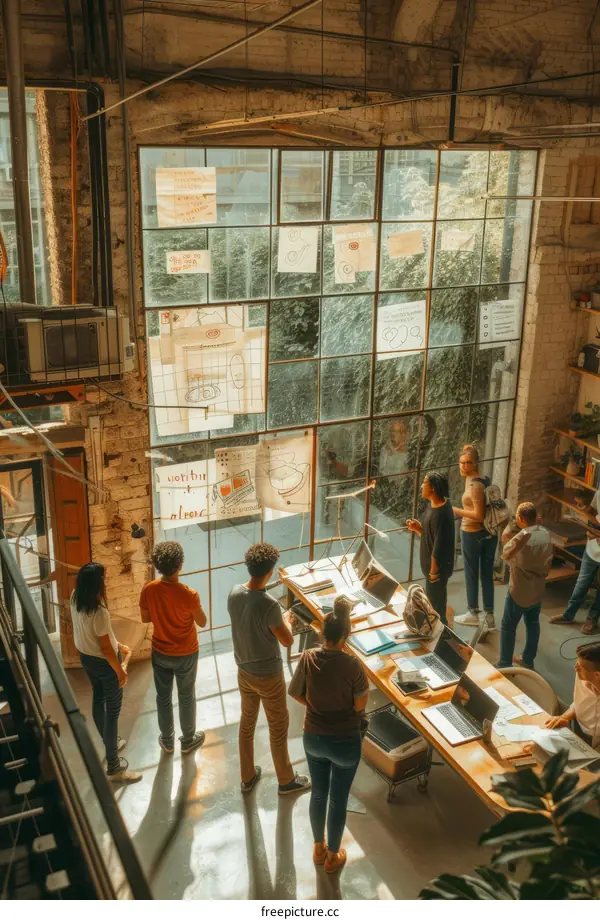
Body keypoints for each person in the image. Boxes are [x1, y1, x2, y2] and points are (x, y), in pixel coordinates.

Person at [288, 598, 368, 874]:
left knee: (318, 794)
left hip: (313, 737)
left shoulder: (308, 658)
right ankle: (334, 856)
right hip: (345, 741)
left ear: (322, 634)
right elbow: (360, 706)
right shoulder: (354, 666)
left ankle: (318, 848)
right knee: (338, 798)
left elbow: (295, 692)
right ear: (346, 637)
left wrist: (314, 706)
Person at [228, 542, 310, 796]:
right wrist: (286, 619)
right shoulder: (270, 605)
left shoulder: (234, 592)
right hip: (268, 676)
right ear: (271, 571)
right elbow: (287, 641)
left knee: (247, 723)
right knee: (278, 726)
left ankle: (247, 776)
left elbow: (249, 624)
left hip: (244, 670)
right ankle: (286, 781)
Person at [71, 563, 141, 783]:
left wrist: (117, 643)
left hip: (87, 658)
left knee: (98, 698)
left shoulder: (76, 598)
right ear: (96, 584)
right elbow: (105, 648)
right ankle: (114, 767)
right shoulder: (99, 612)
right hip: (104, 663)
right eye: (103, 578)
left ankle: (110, 743)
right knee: (112, 712)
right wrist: (120, 671)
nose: (106, 581)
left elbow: (97, 636)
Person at [140, 541, 207, 755]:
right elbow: (203, 622)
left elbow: (145, 618)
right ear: (180, 565)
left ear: (157, 565)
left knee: (163, 696)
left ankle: (167, 740)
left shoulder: (149, 589)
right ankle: (188, 740)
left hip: (160, 651)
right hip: (186, 652)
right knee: (186, 696)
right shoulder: (189, 594)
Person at [496, 502, 553, 670]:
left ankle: (505, 663)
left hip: (519, 590)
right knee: (533, 623)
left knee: (508, 626)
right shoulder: (545, 534)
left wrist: (521, 533)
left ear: (521, 519)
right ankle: (528, 659)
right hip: (538, 588)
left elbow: (506, 553)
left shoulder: (522, 537)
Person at [453, 444, 497, 629]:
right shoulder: (478, 479)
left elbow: (478, 515)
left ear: (476, 463)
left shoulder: (474, 485)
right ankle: (489, 616)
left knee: (472, 574)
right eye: (462, 462)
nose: (463, 466)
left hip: (473, 533)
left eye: (468, 463)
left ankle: (473, 612)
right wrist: (468, 448)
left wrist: (457, 510)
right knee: (487, 574)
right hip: (488, 533)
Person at [406, 472, 455, 624]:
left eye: (424, 483)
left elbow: (439, 548)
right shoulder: (433, 505)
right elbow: (432, 538)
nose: (421, 486)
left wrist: (433, 573)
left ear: (433, 488)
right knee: (434, 605)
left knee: (436, 610)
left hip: (436, 572)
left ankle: (442, 640)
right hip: (431, 572)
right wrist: (418, 529)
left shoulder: (442, 514)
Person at [549, 488, 600, 634]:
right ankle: (568, 614)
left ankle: (592, 618)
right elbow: (591, 512)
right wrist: (590, 530)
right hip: (592, 549)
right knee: (581, 584)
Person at [546, 643, 600, 750]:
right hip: (581, 729)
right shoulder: (583, 676)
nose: (575, 668)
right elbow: (579, 702)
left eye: (580, 666)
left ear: (597, 674)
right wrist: (564, 717)